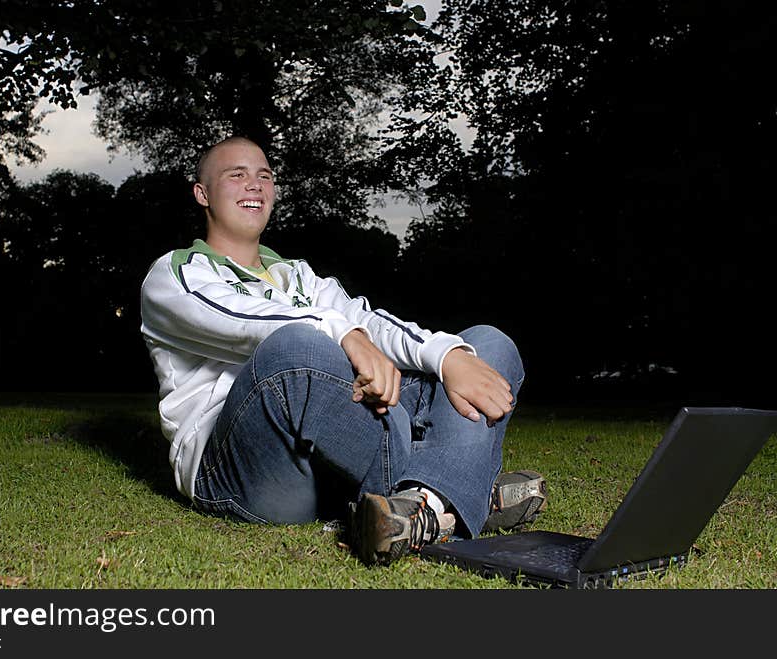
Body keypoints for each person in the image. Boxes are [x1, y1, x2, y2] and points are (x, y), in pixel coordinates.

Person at [140, 136, 547, 566]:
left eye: (264, 176)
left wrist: (447, 356)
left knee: (483, 345)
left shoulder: (298, 275)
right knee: (297, 349)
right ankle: (463, 489)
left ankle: (424, 506)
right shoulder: (176, 273)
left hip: (334, 455)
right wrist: (347, 336)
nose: (254, 185)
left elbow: (370, 321)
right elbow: (247, 322)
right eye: (236, 175)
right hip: (241, 467)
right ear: (202, 193)